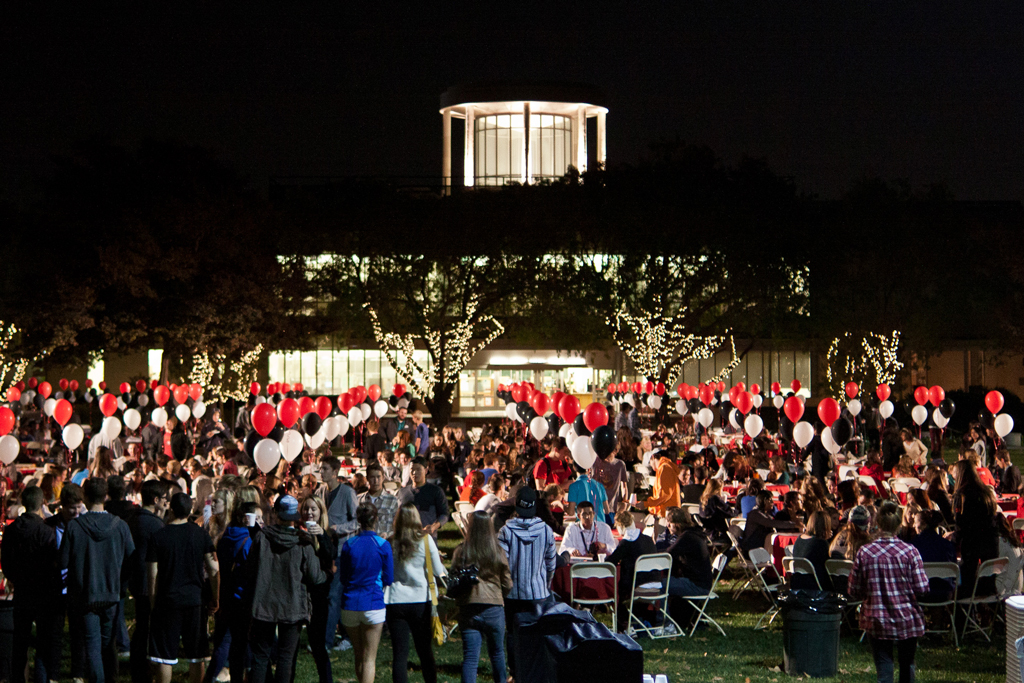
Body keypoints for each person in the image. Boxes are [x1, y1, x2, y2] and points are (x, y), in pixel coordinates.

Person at [59, 477, 135, 683]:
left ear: (84, 497)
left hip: (85, 595)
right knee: (106, 644)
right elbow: (133, 559)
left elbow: (63, 562)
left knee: (92, 645)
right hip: (111, 593)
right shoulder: (120, 526)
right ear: (106, 495)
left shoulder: (74, 527)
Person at [247, 494, 327, 683]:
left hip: (263, 605)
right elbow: (315, 577)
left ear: (276, 514)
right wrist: (327, 573)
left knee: (260, 657)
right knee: (285, 658)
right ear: (295, 516)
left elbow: (250, 569)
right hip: (293, 606)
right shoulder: (303, 542)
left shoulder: (261, 538)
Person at [849, 501, 929, 683]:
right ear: (899, 525)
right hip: (906, 618)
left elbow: (853, 589)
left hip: (876, 618)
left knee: (884, 669)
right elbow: (922, 588)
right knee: (907, 665)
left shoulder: (865, 552)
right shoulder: (910, 552)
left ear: (877, 523)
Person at [147, 492, 219, 683]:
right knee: (196, 655)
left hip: (166, 600)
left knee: (164, 656)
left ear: (171, 509)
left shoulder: (159, 536)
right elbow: (213, 568)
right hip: (194, 601)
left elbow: (152, 573)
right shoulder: (200, 534)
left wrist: (153, 601)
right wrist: (215, 596)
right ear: (190, 511)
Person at [1, 486, 61, 683]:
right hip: (43, 591)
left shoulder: (11, 530)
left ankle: (18, 677)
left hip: (22, 591)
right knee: (44, 641)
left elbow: (6, 562)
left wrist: (14, 578)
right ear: (42, 503)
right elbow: (54, 563)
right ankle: (41, 678)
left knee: (20, 641)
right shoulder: (46, 531)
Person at [497, 487, 556, 681]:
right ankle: (536, 672)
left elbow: (501, 563)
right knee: (537, 635)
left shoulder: (505, 531)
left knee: (513, 635)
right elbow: (551, 563)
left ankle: (515, 674)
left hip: (513, 593)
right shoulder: (547, 530)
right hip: (538, 593)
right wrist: (546, 584)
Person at [385, 503, 444, 683]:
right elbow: (438, 570)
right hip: (420, 601)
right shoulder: (426, 541)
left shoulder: (390, 542)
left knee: (400, 655)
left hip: (395, 600)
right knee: (425, 652)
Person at [452, 511, 512, 683]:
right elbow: (507, 583)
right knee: (497, 654)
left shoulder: (461, 551)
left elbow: (454, 578)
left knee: (470, 658)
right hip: (493, 607)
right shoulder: (497, 552)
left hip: (469, 607)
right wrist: (501, 596)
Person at [339, 502, 394, 683]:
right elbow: (388, 578)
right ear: (376, 519)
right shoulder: (383, 545)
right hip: (373, 604)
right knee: (370, 658)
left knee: (358, 653)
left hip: (350, 605)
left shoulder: (349, 544)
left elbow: (343, 577)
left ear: (358, 521)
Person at [126, 480, 170, 683]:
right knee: (148, 628)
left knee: (142, 626)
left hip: (135, 580)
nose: (167, 502)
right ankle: (145, 670)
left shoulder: (132, 519)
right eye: (165, 499)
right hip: (149, 584)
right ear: (156, 500)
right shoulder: (154, 524)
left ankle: (139, 669)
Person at [321, 455, 359, 651]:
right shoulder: (320, 491)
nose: (322, 472)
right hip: (324, 550)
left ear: (335, 472)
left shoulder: (347, 492)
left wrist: (339, 528)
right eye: (321, 468)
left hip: (342, 550)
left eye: (325, 468)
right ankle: (345, 635)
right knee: (333, 594)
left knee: (335, 595)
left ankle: (327, 642)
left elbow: (357, 521)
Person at [298, 495, 336, 683]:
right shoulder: (297, 532)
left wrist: (319, 535)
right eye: (306, 509)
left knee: (317, 643)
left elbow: (330, 556)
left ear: (321, 512)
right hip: (298, 593)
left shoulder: (326, 534)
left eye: (313, 509)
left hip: (319, 595)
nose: (309, 512)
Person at [951, 459, 1000, 594]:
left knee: (968, 583)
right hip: (990, 542)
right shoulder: (986, 492)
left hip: (972, 544)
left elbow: (961, 524)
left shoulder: (962, 495)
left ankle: (967, 611)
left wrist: (952, 543)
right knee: (988, 583)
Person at [607, 508, 657, 625]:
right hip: (656, 584)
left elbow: (610, 562)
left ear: (620, 527)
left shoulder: (626, 543)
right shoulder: (648, 540)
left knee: (622, 585)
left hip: (637, 587)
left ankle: (623, 622)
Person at [910, 511, 957, 602]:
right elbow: (954, 571)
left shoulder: (913, 547)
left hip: (920, 593)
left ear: (922, 524)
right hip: (944, 593)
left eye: (915, 522)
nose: (913, 526)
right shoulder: (947, 545)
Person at [399, 458, 448, 539]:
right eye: (412, 469)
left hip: (428, 538)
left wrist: (434, 527)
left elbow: (444, 514)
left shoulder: (435, 491)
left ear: (426, 470)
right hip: (407, 539)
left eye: (418, 469)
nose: (414, 473)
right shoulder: (402, 492)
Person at [740, 491, 799, 557]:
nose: (772, 503)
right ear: (764, 501)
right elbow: (770, 523)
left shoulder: (765, 514)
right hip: (752, 551)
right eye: (770, 500)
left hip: (760, 548)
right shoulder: (755, 514)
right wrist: (793, 525)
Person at [791, 511, 833, 591]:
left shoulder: (799, 539)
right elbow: (827, 565)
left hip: (798, 582)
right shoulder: (821, 543)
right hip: (815, 585)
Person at [357, 463, 400, 538]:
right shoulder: (359, 499)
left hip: (384, 544)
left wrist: (387, 535)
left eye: (378, 477)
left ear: (383, 477)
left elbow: (397, 525)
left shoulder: (393, 500)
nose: (376, 481)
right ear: (367, 478)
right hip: (364, 543)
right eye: (372, 477)